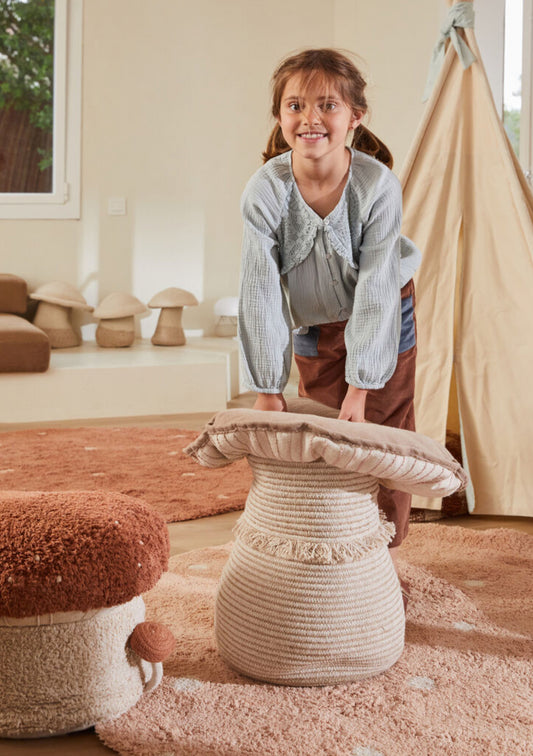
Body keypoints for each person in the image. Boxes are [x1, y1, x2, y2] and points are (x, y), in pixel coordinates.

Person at [237, 48, 421, 584]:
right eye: (295, 105)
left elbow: (377, 287)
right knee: (324, 445)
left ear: (354, 117)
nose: (310, 119)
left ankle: (381, 565)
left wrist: (363, 386)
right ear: (279, 117)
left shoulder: (375, 186)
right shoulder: (265, 191)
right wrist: (268, 385)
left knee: (381, 437)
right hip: (314, 326)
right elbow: (259, 291)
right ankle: (331, 556)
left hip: (386, 315)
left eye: (327, 105)